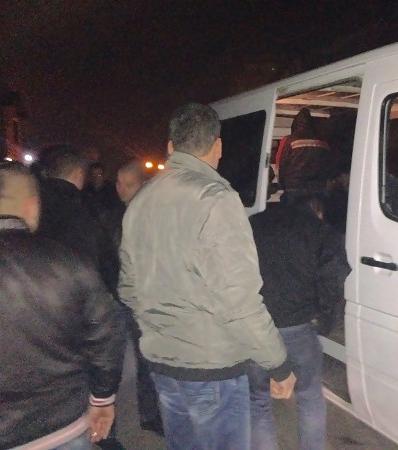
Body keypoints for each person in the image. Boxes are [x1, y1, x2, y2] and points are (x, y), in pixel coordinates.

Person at [118, 103, 296, 450]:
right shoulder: (216, 199)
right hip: (212, 369)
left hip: (163, 364)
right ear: (217, 146)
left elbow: (128, 288)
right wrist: (278, 364)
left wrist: (163, 327)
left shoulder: (140, 202)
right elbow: (238, 300)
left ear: (171, 147)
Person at [0, 162, 125, 450]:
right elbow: (106, 336)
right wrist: (102, 398)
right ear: (31, 206)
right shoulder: (69, 263)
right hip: (64, 426)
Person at [248, 194, 350, 450]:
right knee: (309, 397)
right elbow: (333, 280)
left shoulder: (254, 224)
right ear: (318, 212)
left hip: (256, 327)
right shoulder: (322, 232)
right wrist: (324, 322)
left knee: (258, 401)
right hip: (299, 328)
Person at [107, 159, 165, 436]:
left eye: (128, 184)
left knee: (146, 360)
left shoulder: (151, 217)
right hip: (119, 299)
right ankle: (110, 422)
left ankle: (149, 414)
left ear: (143, 185)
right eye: (119, 183)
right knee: (113, 364)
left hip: (142, 300)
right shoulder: (112, 215)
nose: (121, 190)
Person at [36, 145, 119, 295]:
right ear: (79, 173)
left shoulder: (33, 205)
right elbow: (106, 259)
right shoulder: (87, 209)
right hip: (77, 294)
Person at [276, 108, 333, 201]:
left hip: (294, 186)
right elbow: (328, 164)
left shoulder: (288, 140)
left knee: (294, 210)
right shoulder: (323, 142)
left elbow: (281, 163)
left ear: (295, 124)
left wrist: (282, 183)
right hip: (317, 187)